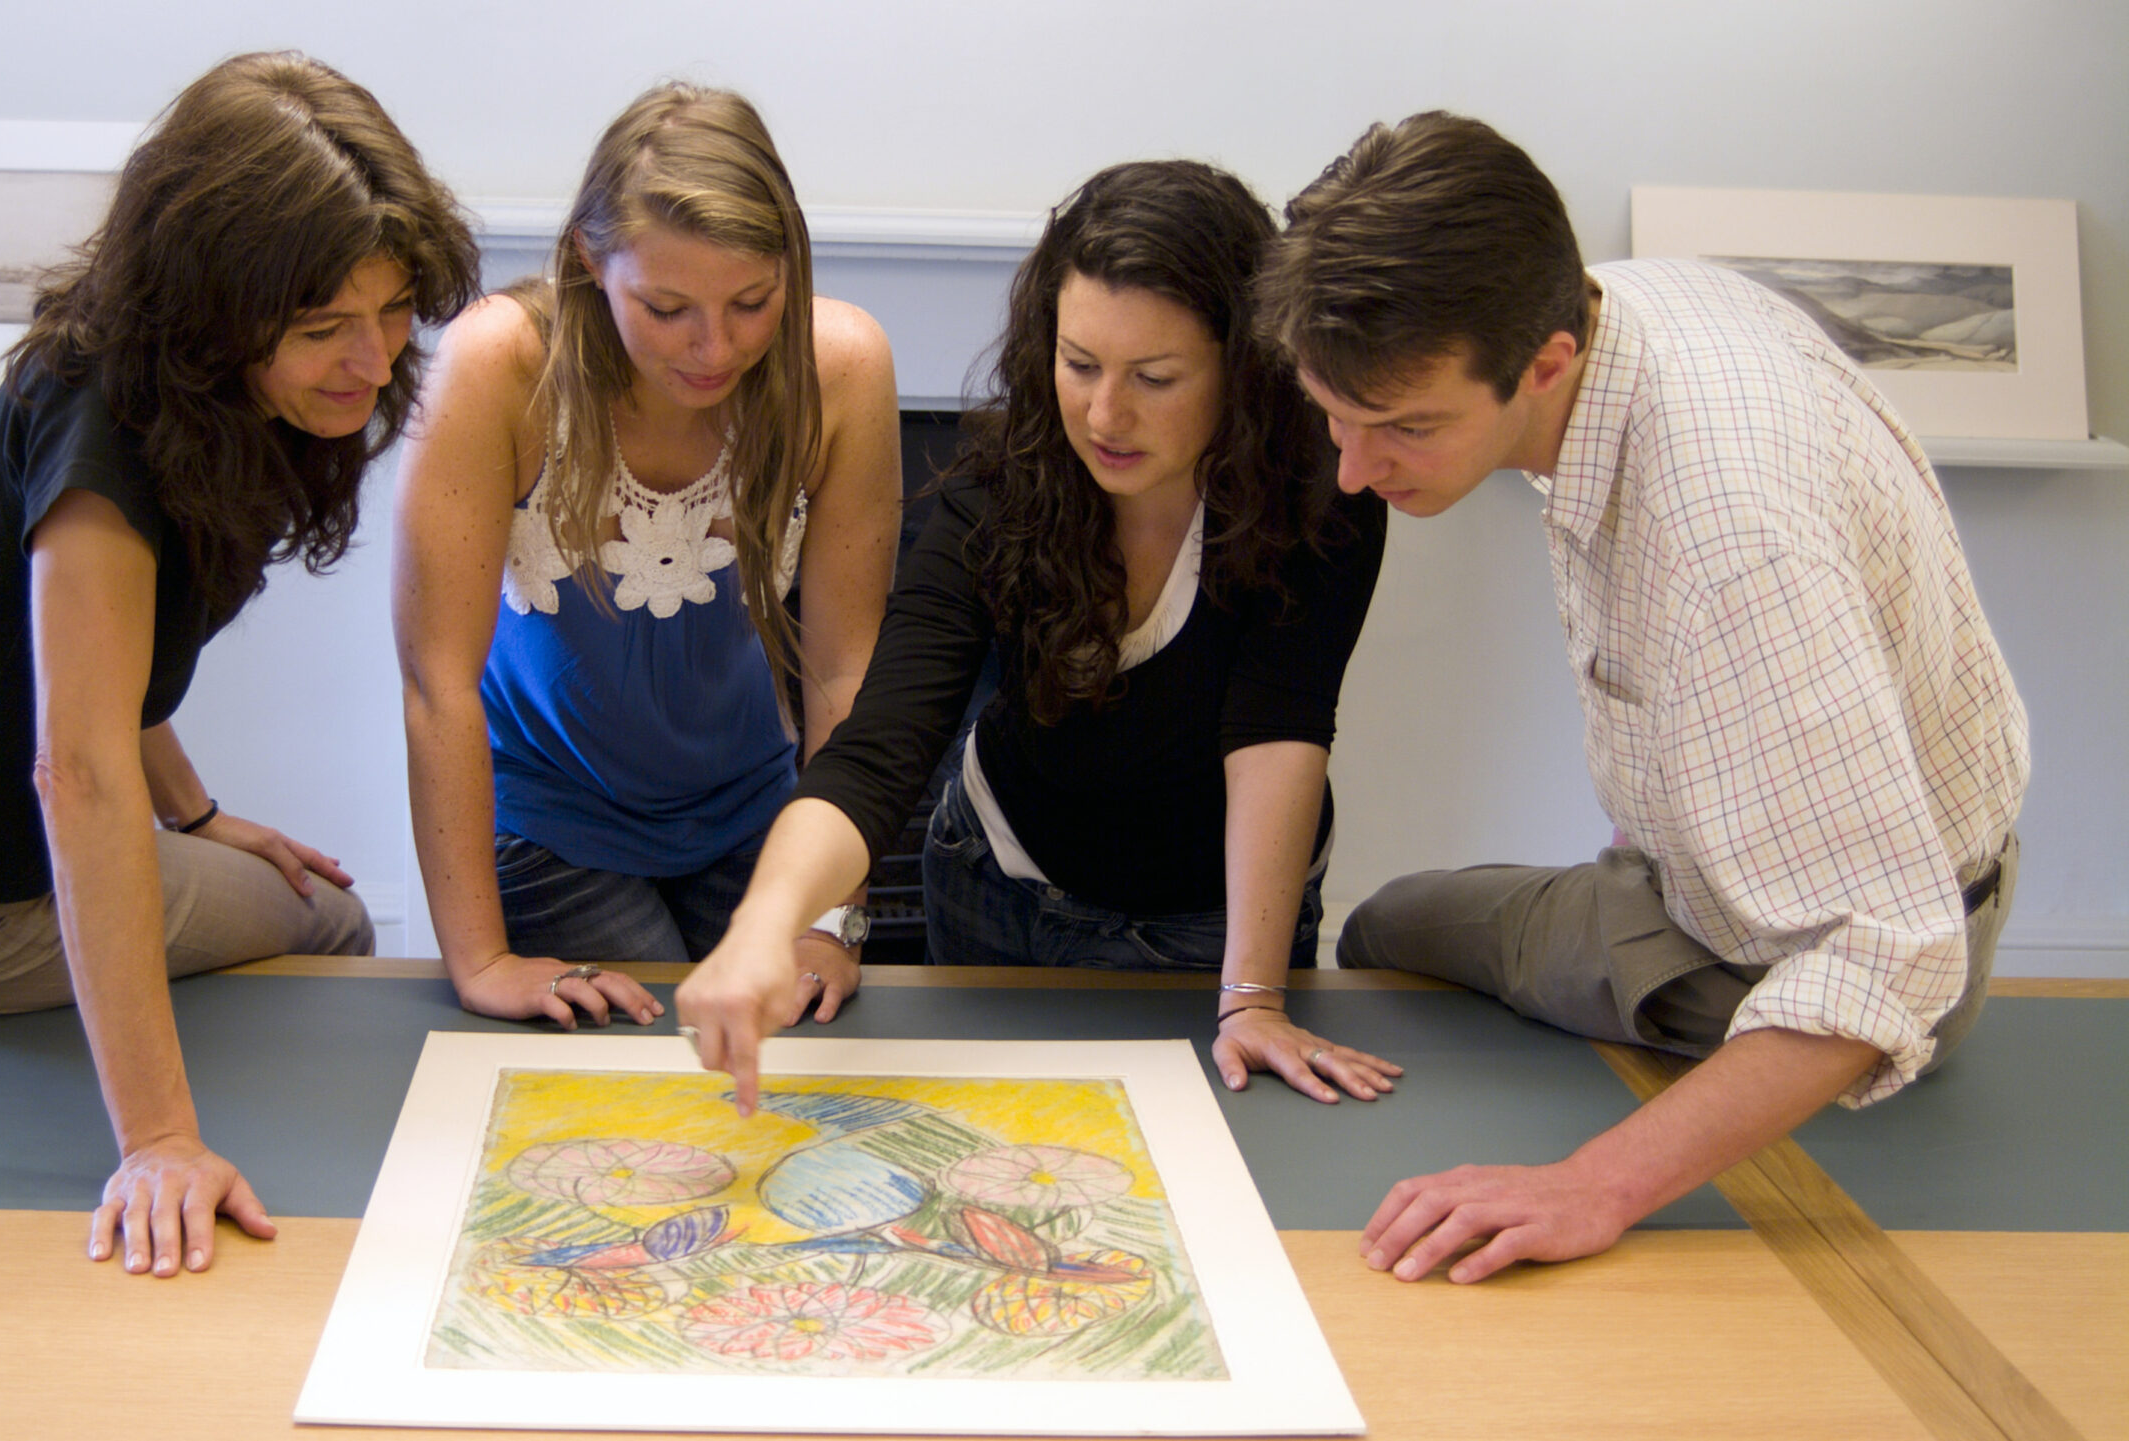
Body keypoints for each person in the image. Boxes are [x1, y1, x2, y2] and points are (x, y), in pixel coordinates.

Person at [1256, 112, 2029, 1283]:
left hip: (1825, 954)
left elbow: (1885, 953)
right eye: (1334, 416)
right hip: (1739, 875)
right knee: (1393, 922)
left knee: (1384, 928)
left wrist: (1589, 1185)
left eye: (1406, 427)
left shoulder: (1727, 535)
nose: (1355, 470)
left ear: (1547, 360)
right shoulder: (1625, 298)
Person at [0, 52, 479, 1278]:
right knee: (336, 920)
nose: (373, 361)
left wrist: (195, 814)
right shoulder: (104, 442)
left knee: (255, 879)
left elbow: (93, 661)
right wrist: (158, 1139)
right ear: (214, 302)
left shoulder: (181, 371)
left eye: (393, 308)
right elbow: (79, 770)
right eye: (324, 329)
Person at [677, 160, 1398, 1113]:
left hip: (1219, 921)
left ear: (1243, 363)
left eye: (1155, 377)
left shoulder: (1324, 489)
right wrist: (771, 924)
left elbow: (1279, 729)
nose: (1106, 415)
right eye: (1080, 363)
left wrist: (1253, 994)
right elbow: (884, 742)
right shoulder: (1002, 486)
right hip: (996, 881)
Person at [393, 83, 900, 1028]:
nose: (716, 348)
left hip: (758, 810)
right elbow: (437, 683)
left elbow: (844, 667)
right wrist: (482, 959)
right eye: (667, 308)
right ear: (590, 262)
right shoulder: (500, 365)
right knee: (658, 1070)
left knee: (790, 1064)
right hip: (550, 817)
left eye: (752, 302)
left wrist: (833, 917)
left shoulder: (845, 367)